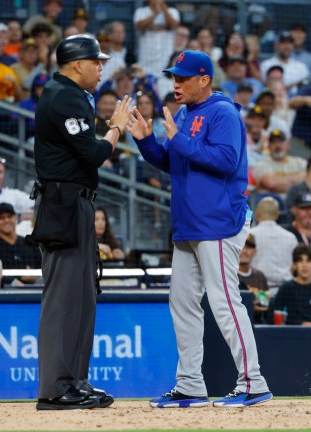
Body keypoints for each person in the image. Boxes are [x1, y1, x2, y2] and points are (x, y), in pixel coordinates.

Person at [127, 49, 272, 408]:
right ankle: (190, 383)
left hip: (219, 222)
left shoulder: (223, 112)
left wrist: (178, 140)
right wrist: (147, 142)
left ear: (204, 79)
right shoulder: (185, 113)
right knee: (182, 304)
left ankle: (253, 382)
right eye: (174, 77)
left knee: (224, 303)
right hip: (189, 224)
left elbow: (225, 160)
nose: (175, 83)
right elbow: (173, 160)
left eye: (183, 78)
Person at [32, 34, 131, 410]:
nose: (101, 67)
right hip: (64, 206)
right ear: (78, 64)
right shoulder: (64, 96)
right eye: (96, 61)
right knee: (64, 300)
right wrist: (117, 126)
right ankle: (56, 388)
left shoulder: (68, 95)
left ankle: (74, 381)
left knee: (82, 299)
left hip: (76, 204)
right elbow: (92, 154)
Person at [266, 244, 311, 325]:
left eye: (308, 260)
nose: (304, 265)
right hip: (291, 335)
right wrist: (300, 324)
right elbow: (273, 317)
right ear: (295, 265)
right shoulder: (286, 288)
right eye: (300, 260)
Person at [250, 197, 298, 291]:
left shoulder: (249, 235)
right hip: (285, 290)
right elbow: (296, 266)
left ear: (257, 214)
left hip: (257, 290)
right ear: (277, 215)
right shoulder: (290, 237)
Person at [0, 203, 41, 286]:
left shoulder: (29, 242)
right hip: (3, 294)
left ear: (15, 218)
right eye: (2, 218)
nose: (6, 220)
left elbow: (43, 268)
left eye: (9, 216)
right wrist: (15, 280)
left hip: (34, 291)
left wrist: (35, 275)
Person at [238, 233, 270, 323]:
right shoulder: (228, 275)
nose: (244, 251)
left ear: (255, 252)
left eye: (248, 247)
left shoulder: (259, 276)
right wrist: (250, 306)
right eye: (241, 246)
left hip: (256, 322)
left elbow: (265, 303)